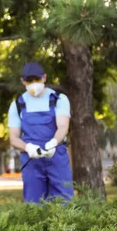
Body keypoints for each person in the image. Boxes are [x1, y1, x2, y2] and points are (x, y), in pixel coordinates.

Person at [7, 61, 74, 203]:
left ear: (44, 77)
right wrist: (28, 147)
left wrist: (54, 142)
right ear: (22, 81)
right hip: (32, 162)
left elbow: (62, 127)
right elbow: (13, 138)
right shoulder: (17, 105)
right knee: (34, 207)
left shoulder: (59, 99)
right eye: (29, 80)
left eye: (36, 79)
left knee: (64, 203)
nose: (33, 83)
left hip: (57, 159)